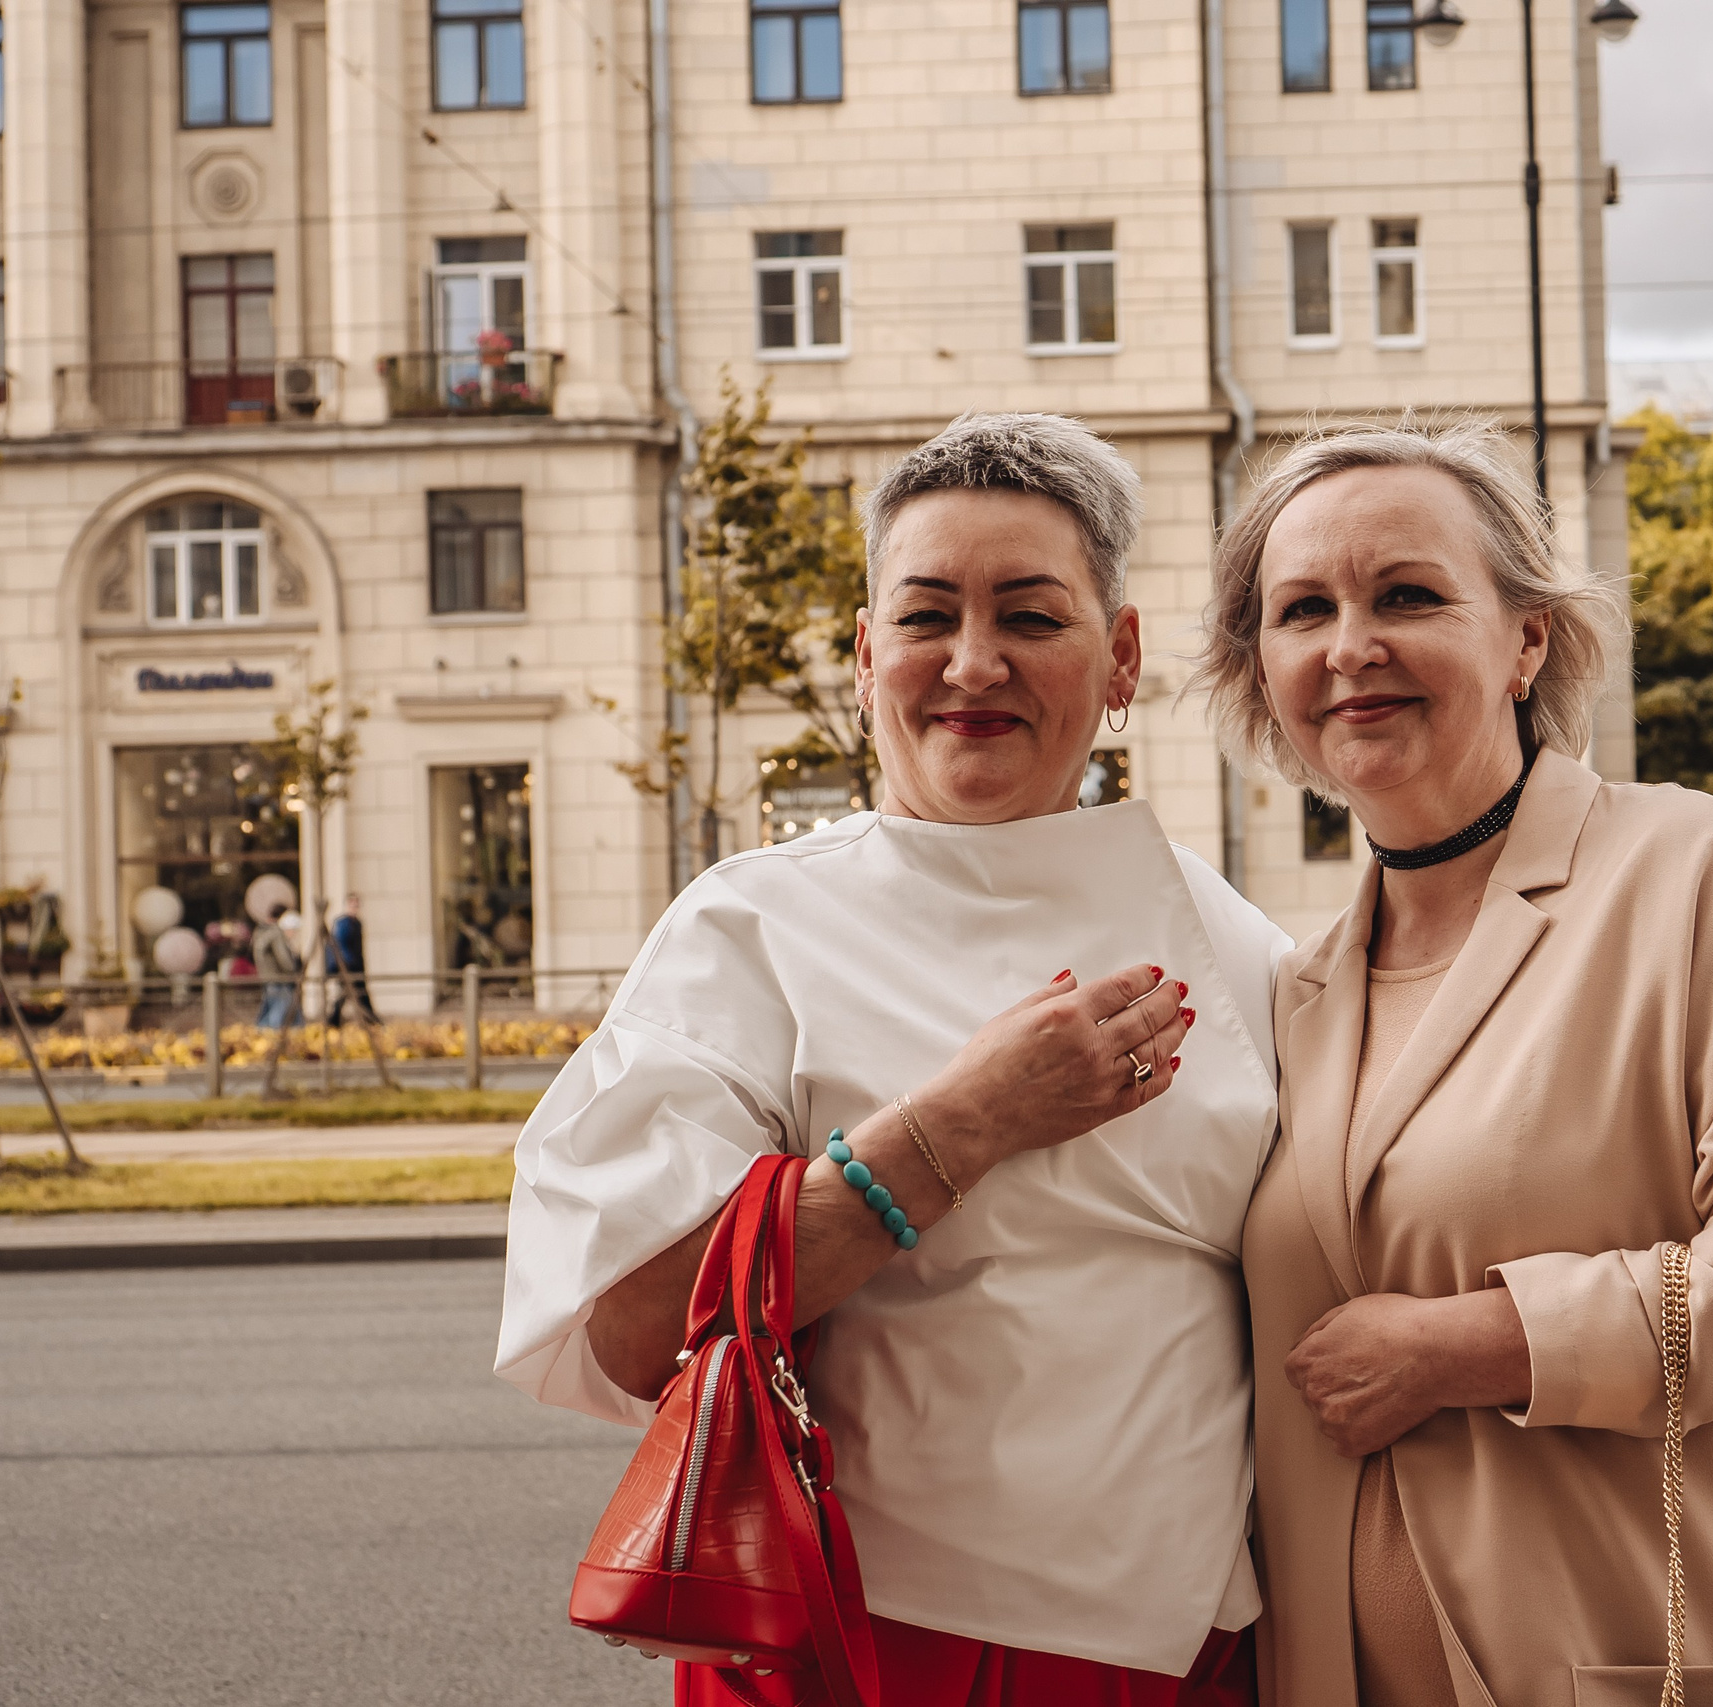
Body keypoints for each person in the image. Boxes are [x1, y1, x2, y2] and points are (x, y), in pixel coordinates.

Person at [497, 413, 1282, 1707]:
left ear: (1123, 655)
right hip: (862, 1649)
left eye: (1032, 616)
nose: (974, 664)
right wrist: (955, 1129)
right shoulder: (751, 922)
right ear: (867, 659)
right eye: (927, 618)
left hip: (1190, 1658)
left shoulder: (1236, 936)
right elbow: (634, 1319)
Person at [1195, 424, 1713, 1707]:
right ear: (1264, 670)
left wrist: (1468, 1345)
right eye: (1302, 610)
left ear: (1526, 636)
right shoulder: (1294, 989)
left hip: (1662, 1652)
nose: (1350, 645)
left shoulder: (1686, 868)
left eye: (1406, 595)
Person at [327, 894, 377, 1027]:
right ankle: (371, 1021)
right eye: (352, 905)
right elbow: (340, 946)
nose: (355, 908)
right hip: (347, 966)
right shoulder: (342, 923)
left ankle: (334, 1021)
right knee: (351, 994)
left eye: (357, 905)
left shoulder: (357, 923)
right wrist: (344, 965)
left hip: (355, 965)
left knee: (355, 994)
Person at [252, 910, 303, 1030]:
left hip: (269, 977)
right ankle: (271, 1038)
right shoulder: (277, 934)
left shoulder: (264, 932)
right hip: (279, 979)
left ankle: (262, 1032)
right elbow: (284, 959)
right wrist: (293, 969)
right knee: (278, 1012)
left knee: (272, 1009)